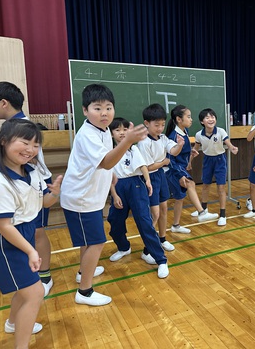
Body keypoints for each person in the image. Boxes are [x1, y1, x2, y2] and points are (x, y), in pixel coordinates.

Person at [60, 84, 147, 306]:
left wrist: (110, 178)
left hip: (89, 196)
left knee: (87, 241)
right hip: (81, 199)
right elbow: (107, 161)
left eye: (108, 108)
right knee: (96, 242)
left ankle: (83, 271)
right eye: (97, 108)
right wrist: (127, 140)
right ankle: (85, 291)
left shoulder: (102, 130)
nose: (104, 113)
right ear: (85, 110)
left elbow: (105, 162)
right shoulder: (88, 134)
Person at [0, 119, 62, 347]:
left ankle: (12, 323)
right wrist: (30, 250)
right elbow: (3, 225)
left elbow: (43, 204)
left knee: (26, 288)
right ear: (4, 142)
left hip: (22, 235)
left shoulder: (32, 170)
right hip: (2, 243)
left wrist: (54, 194)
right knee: (35, 292)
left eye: (36, 145)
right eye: (25, 142)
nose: (30, 150)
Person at [0, 81, 55, 297]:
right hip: (24, 184)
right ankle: (33, 274)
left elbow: (33, 162)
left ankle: (44, 276)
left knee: (37, 231)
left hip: (34, 184)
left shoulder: (22, 128)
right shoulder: (14, 127)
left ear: (3, 103)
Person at [106, 118, 169, 278]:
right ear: (111, 133)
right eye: (118, 130)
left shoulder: (133, 149)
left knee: (144, 222)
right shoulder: (109, 152)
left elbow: (142, 167)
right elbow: (108, 176)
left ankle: (161, 259)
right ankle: (123, 247)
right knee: (115, 222)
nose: (122, 133)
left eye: (125, 130)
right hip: (119, 187)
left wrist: (147, 181)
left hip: (136, 185)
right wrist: (114, 194)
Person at [164, 105, 219, 234]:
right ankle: (201, 212)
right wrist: (179, 174)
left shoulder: (184, 131)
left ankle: (175, 226)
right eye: (188, 117)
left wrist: (190, 153)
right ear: (178, 119)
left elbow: (182, 151)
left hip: (180, 167)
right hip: (173, 169)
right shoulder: (174, 136)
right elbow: (170, 158)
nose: (191, 119)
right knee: (190, 183)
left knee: (179, 198)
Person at [138, 103, 185, 252]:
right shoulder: (143, 142)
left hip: (160, 176)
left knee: (164, 209)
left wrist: (180, 145)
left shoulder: (163, 138)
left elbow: (174, 151)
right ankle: (149, 246)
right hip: (148, 179)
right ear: (147, 123)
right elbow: (147, 166)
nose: (160, 128)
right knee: (155, 214)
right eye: (156, 125)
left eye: (163, 125)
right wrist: (164, 162)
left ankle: (162, 238)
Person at [190, 108, 239, 226]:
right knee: (205, 186)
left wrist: (233, 148)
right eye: (207, 118)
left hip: (220, 160)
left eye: (212, 117)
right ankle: (203, 209)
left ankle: (222, 215)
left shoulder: (221, 131)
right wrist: (189, 162)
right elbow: (195, 150)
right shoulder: (198, 135)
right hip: (207, 160)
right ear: (202, 122)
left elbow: (228, 143)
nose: (210, 119)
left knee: (221, 188)